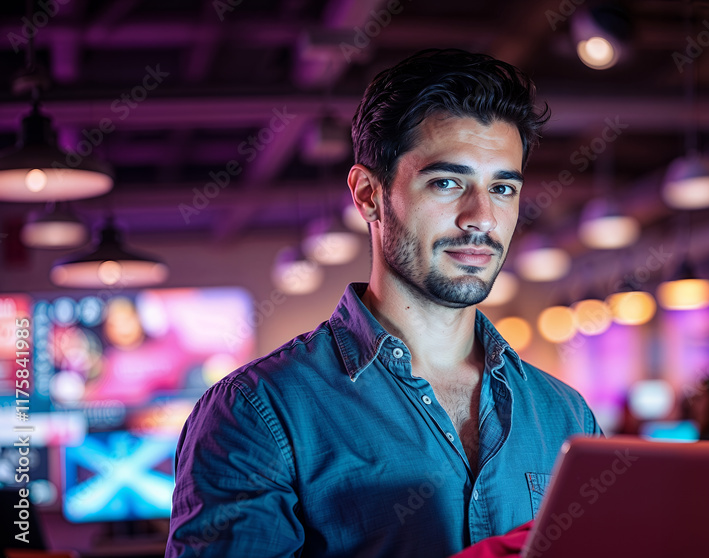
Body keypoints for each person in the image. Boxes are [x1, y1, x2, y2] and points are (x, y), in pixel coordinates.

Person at [166, 49, 602, 558]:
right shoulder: (258, 413)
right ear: (369, 195)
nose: (481, 217)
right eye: (447, 182)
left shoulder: (568, 417)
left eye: (503, 188)